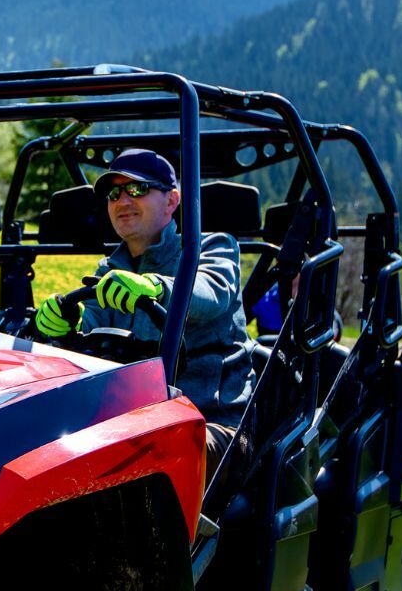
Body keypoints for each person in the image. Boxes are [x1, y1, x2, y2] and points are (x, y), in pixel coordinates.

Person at [32, 149, 254, 478]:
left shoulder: (210, 248)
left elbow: (211, 294)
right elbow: (88, 339)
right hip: (129, 422)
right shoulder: (108, 271)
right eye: (113, 193)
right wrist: (63, 329)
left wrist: (154, 286)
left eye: (137, 189)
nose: (122, 201)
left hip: (214, 424)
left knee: (149, 453)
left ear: (172, 200)